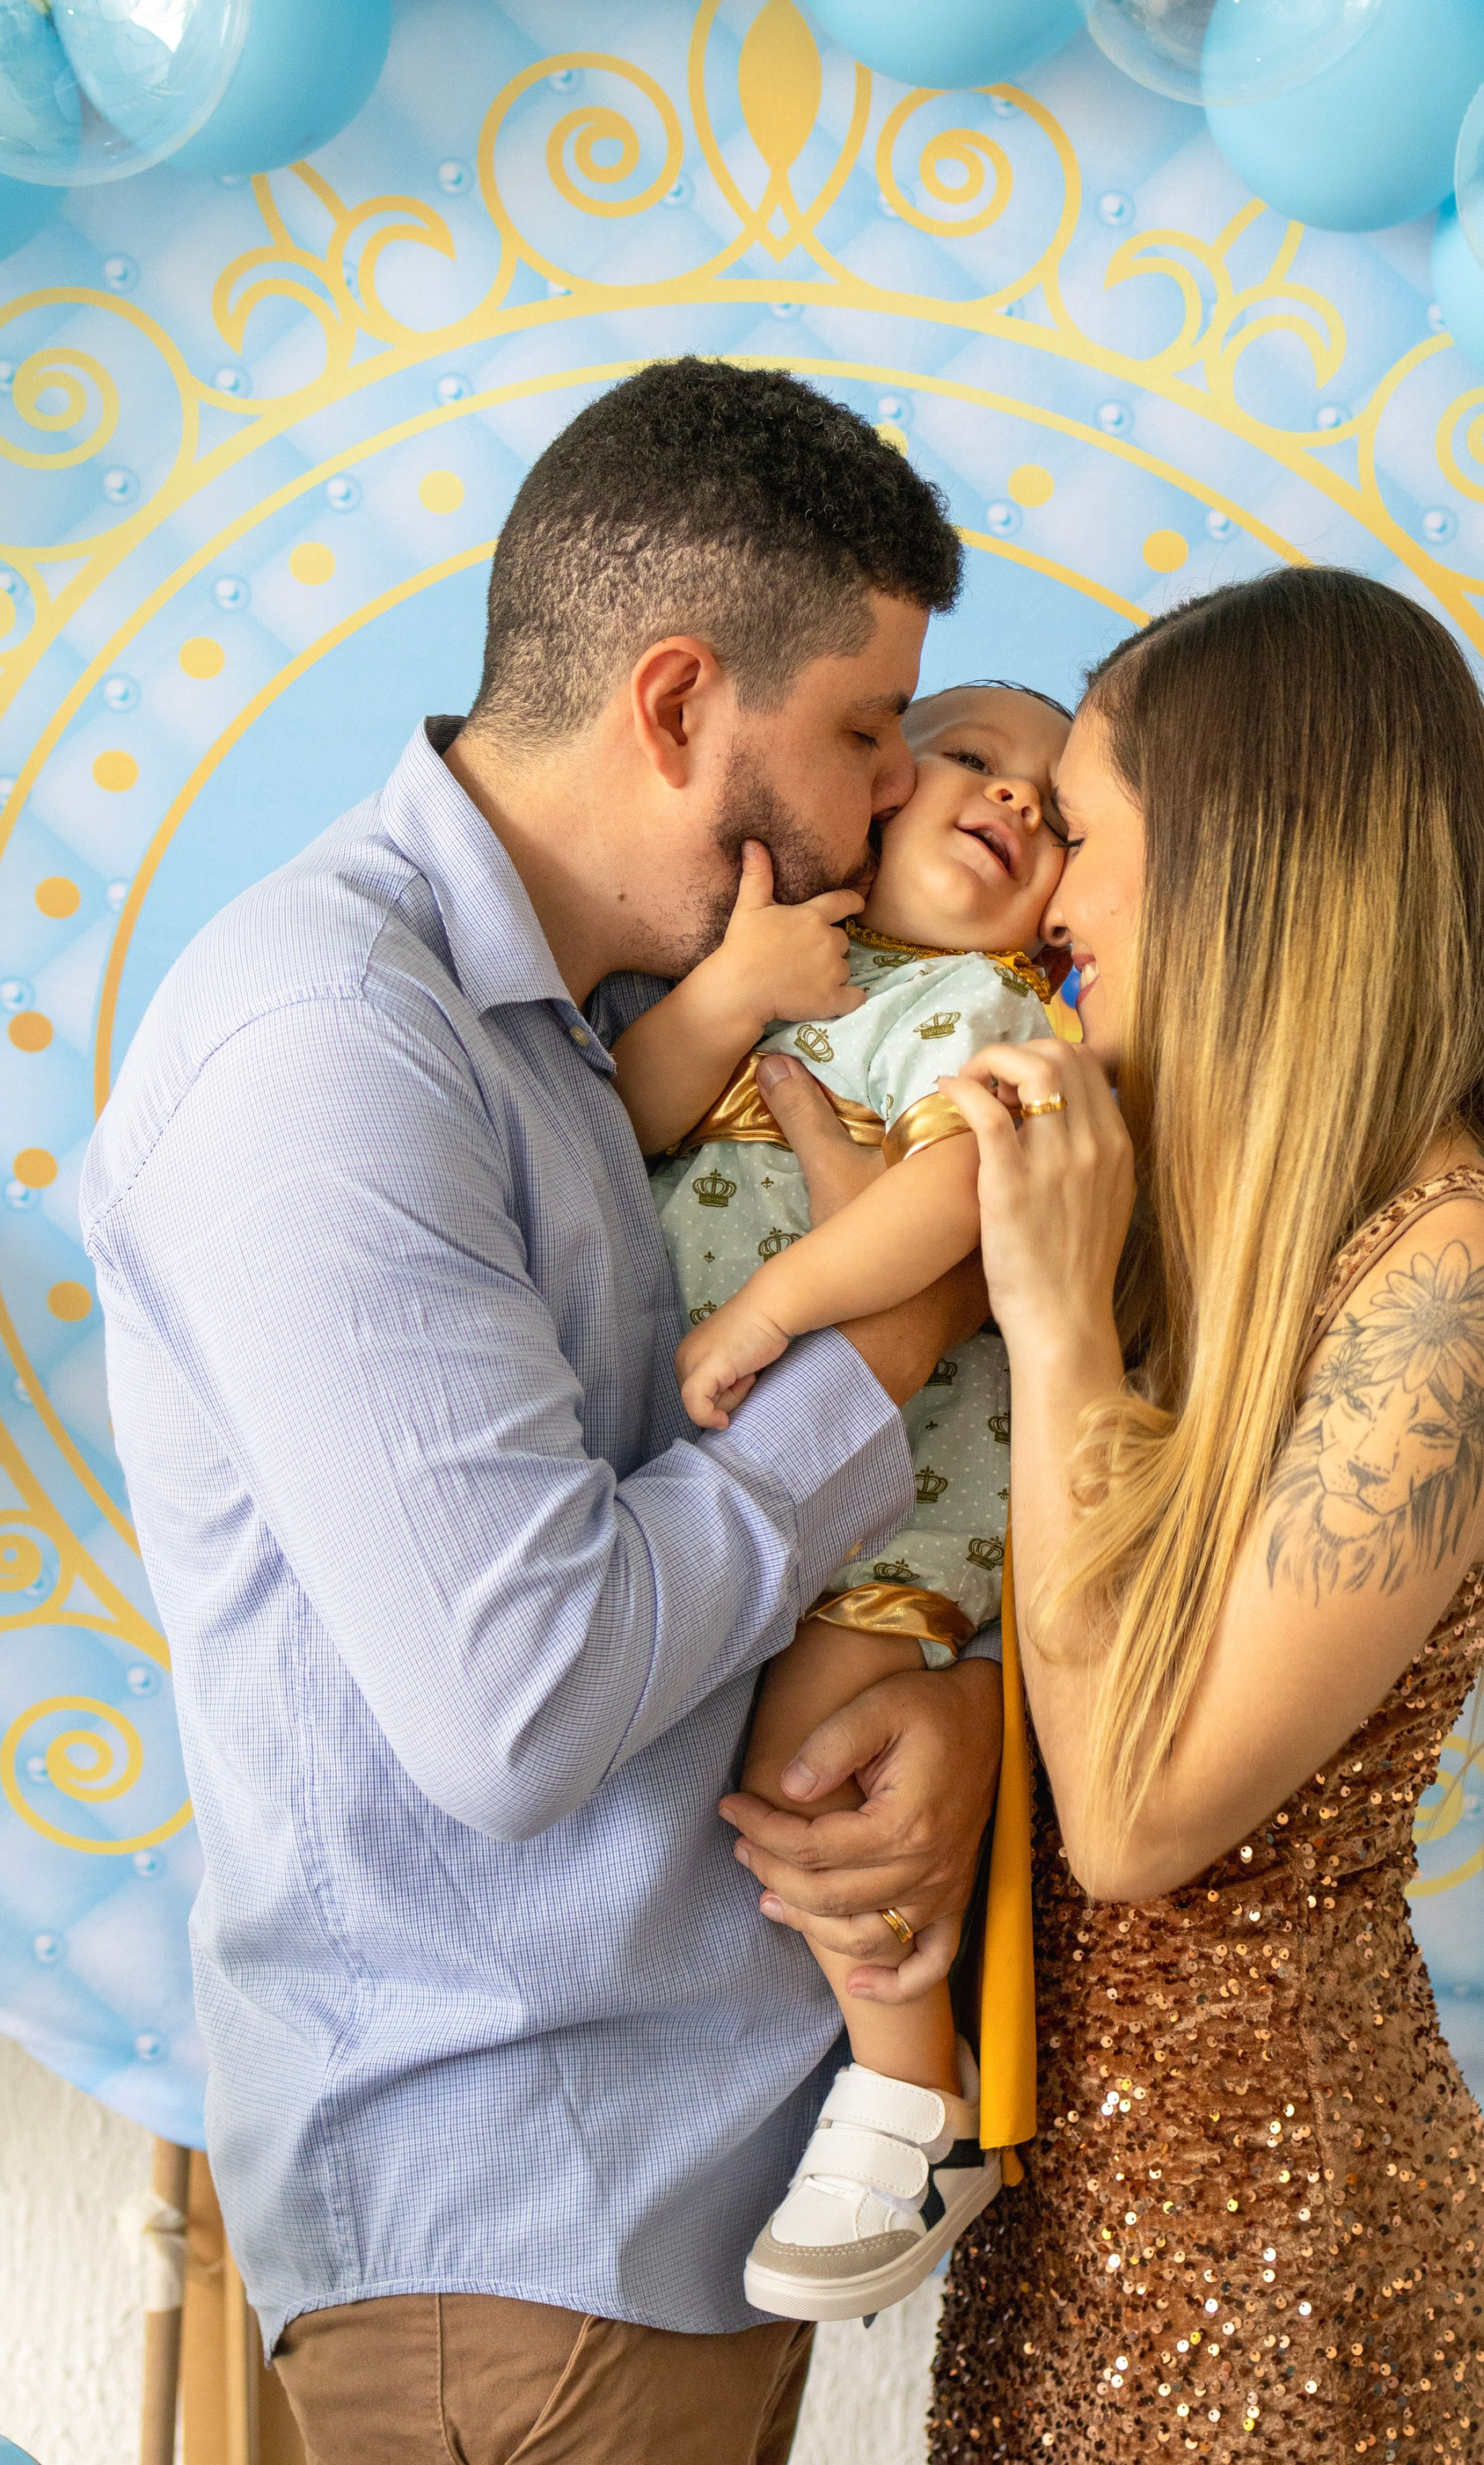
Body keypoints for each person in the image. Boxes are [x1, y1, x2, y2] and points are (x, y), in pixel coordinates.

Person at [79, 358, 1009, 2465]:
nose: (892, 796)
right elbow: (523, 1702)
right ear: (677, 705)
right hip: (514, 2227)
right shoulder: (329, 1047)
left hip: (658, 2206)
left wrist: (943, 1698)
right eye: (864, 730)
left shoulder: (621, 1035)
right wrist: (877, 1357)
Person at [721, 568, 1484, 2461]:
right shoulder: (1201, 1211)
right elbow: (1089, 1619)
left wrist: (1050, 1321)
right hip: (1072, 2247)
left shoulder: (1460, 1282)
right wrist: (953, 1714)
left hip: (1277, 2286)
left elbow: (1133, 1820)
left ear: (1244, 858)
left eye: (1089, 835)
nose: (1058, 902)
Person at [612, 683, 1071, 2321]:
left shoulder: (988, 1005)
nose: (1015, 802)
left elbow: (953, 1201)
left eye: (1054, 813)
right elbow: (617, 1118)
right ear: (875, 788)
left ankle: (912, 2094)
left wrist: (774, 1305)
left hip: (901, 1490)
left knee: (812, 1776)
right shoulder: (781, 964)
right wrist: (733, 992)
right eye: (976, 759)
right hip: (726, 1473)